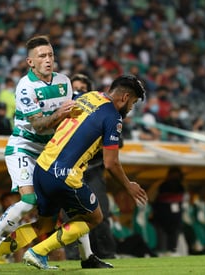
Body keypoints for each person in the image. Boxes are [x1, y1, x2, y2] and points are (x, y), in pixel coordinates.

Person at [0, 35, 110, 269]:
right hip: (23, 148)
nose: (48, 60)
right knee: (29, 200)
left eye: (51, 55)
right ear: (30, 62)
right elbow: (38, 124)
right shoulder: (25, 87)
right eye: (42, 56)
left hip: (50, 152)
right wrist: (60, 113)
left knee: (71, 206)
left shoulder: (64, 82)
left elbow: (69, 120)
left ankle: (87, 257)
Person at [0, 75, 148, 270]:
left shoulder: (89, 97)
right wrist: (128, 185)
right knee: (94, 217)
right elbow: (110, 163)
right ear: (124, 97)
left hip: (43, 167)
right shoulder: (113, 117)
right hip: (64, 175)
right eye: (133, 102)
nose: (131, 109)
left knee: (44, 225)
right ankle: (38, 252)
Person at [69, 73, 117, 260]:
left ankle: (107, 254)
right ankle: (72, 257)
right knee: (70, 216)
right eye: (75, 89)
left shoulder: (104, 112)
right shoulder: (65, 112)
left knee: (101, 213)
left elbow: (115, 143)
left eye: (82, 88)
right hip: (70, 170)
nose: (78, 92)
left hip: (93, 169)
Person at [148, 166, 185, 255]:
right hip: (161, 221)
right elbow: (150, 198)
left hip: (175, 221)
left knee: (172, 248)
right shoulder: (160, 185)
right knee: (162, 247)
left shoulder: (181, 187)